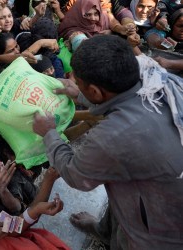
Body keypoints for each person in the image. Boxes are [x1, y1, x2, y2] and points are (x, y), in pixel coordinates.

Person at [32, 35, 183, 248]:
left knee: (129, 240)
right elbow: (113, 99)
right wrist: (80, 95)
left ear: (95, 90)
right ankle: (104, 230)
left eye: (80, 84)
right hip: (158, 184)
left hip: (160, 227)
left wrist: (49, 133)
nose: (77, 85)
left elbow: (76, 175)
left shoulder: (113, 136)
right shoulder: (153, 76)